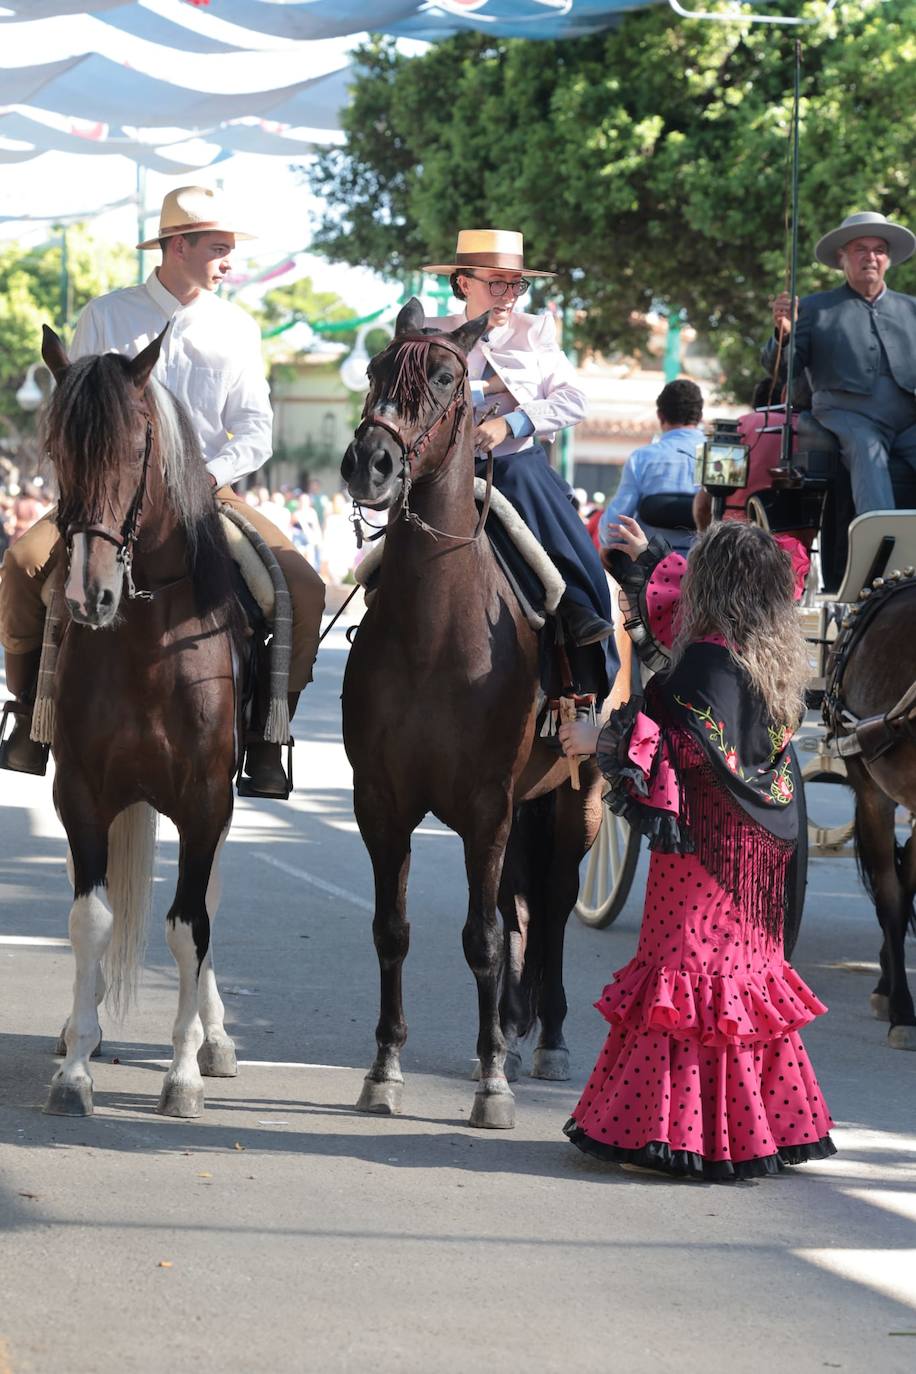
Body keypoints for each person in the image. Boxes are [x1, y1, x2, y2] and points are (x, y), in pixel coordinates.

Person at [0, 186, 326, 794]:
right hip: (106, 492)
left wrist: (207, 475)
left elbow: (257, 429)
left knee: (302, 589)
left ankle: (266, 735)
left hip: (205, 492)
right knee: (20, 565)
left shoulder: (237, 327)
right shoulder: (106, 313)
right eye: (219, 249)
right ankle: (28, 715)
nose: (231, 262)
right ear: (179, 246)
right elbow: (74, 407)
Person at [557, 514, 835, 1180]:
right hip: (762, 847)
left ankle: (683, 1133)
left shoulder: (705, 658)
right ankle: (756, 1126)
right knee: (743, 977)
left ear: (705, 584)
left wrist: (596, 736)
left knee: (686, 984)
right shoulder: (766, 653)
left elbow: (673, 748)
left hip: (701, 850)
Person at [421, 229, 613, 646]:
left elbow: (575, 400)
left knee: (577, 554)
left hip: (513, 466)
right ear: (463, 283)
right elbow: (415, 393)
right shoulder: (430, 333)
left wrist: (512, 423)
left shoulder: (536, 332)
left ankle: (576, 619)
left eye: (516, 284)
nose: (508, 294)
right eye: (496, 283)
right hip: (439, 469)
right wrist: (486, 391)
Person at [763, 210, 916, 514]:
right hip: (846, 413)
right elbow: (781, 368)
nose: (871, 257)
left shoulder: (911, 308)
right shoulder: (814, 308)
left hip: (908, 419)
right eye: (861, 249)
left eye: (879, 250)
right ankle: (878, 546)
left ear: (888, 259)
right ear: (842, 256)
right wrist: (783, 333)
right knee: (866, 450)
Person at [599, 379, 704, 554]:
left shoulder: (641, 459)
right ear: (700, 417)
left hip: (652, 571)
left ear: (660, 416)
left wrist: (606, 545)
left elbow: (613, 527)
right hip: (708, 570)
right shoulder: (722, 457)